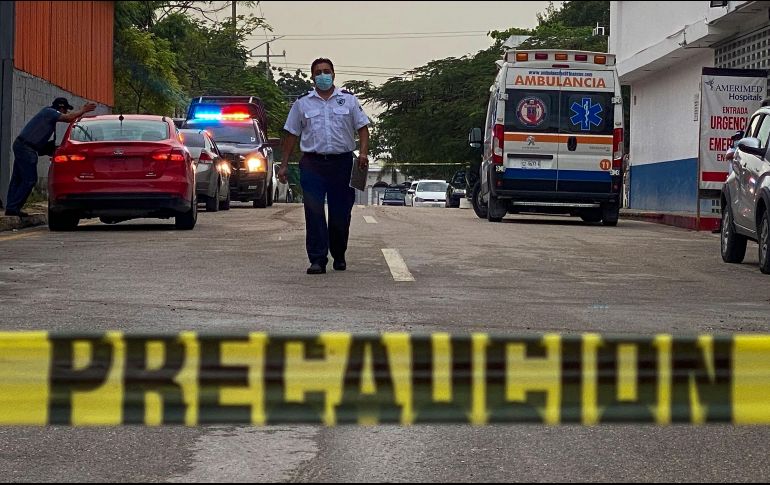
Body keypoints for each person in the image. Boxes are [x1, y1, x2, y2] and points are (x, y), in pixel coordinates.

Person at [278, 57, 370, 274]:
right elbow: (291, 134)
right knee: (314, 211)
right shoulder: (302, 103)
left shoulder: (348, 100)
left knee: (340, 213)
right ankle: (318, 258)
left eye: (326, 71)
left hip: (342, 163)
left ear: (334, 74)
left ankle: (339, 253)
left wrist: (363, 153)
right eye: (318, 72)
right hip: (313, 164)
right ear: (312, 77)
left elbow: (363, 128)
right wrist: (283, 165)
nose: (322, 76)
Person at [4, 97, 96, 216]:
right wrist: (83, 110)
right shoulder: (50, 112)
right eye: (65, 110)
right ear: (61, 108)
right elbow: (68, 118)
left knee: (18, 179)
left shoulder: (48, 115)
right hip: (27, 148)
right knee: (29, 180)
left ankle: (11, 207)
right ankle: (14, 207)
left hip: (23, 146)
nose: (66, 112)